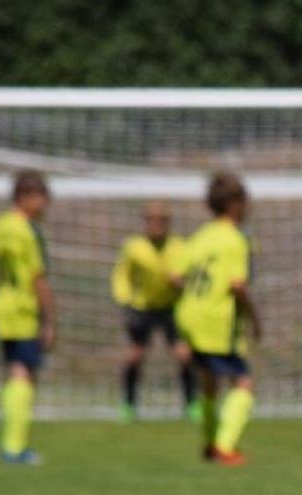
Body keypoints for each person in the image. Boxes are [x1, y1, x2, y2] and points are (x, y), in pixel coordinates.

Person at [174, 173, 262, 466]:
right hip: (216, 320)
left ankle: (210, 444)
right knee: (243, 382)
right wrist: (255, 317)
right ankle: (225, 447)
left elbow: (175, 275)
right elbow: (237, 285)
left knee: (209, 382)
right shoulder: (234, 238)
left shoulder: (200, 236)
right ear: (235, 204)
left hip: (190, 316)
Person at [0, 171, 56, 465]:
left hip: (2, 304)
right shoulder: (27, 231)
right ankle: (15, 446)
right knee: (23, 373)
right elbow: (37, 277)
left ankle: (11, 441)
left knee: (14, 370)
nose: (44, 205)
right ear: (26, 197)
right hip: (24, 308)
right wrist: (50, 320)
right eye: (41, 198)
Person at [112, 201, 195, 422]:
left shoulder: (179, 246)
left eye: (161, 221)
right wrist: (125, 300)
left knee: (184, 355)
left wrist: (181, 282)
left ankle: (191, 404)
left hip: (171, 307)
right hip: (142, 307)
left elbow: (188, 274)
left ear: (168, 223)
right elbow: (121, 275)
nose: (156, 225)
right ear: (145, 222)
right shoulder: (134, 247)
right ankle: (128, 405)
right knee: (135, 356)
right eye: (152, 221)